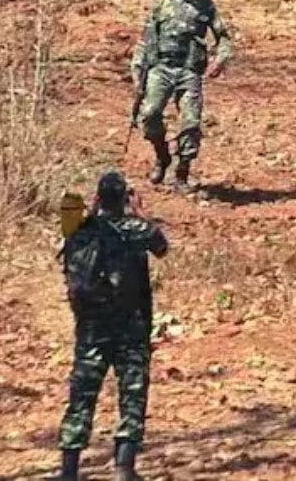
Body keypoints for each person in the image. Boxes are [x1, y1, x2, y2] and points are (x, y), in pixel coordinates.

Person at [58, 171, 168, 481]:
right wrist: (140, 212)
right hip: (130, 327)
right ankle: (124, 467)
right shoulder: (135, 228)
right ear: (124, 198)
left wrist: (92, 209)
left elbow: (73, 229)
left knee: (81, 397)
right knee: (132, 393)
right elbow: (160, 246)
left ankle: (68, 470)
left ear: (97, 198)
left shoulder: (79, 229)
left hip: (90, 328)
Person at [132, 0, 232, 194]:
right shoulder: (160, 3)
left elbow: (223, 36)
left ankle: (182, 173)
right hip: (161, 68)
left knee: (190, 122)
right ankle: (162, 157)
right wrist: (137, 69)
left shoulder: (205, 4)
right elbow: (145, 39)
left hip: (189, 71)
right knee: (149, 113)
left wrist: (221, 60)